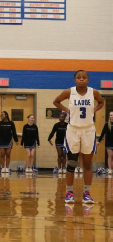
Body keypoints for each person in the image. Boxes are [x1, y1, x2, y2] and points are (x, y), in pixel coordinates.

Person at [53, 70, 104, 204]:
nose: (81, 79)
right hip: (73, 130)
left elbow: (101, 102)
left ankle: (87, 193)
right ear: (75, 79)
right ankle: (69, 192)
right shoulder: (69, 92)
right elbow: (56, 101)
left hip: (88, 130)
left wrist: (94, 110)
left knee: (87, 163)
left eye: (84, 77)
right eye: (78, 77)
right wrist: (67, 110)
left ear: (88, 79)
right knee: (72, 162)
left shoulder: (94, 92)